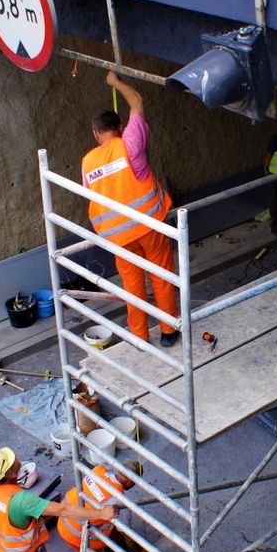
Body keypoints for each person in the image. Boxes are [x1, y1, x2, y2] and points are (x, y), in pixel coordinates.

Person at [82, 71, 180, 347]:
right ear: (121, 126)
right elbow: (137, 101)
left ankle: (139, 335)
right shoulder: (129, 143)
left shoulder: (88, 161)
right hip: (148, 225)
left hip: (118, 236)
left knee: (133, 285)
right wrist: (116, 82)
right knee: (160, 277)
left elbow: (95, 193)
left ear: (95, 134)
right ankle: (169, 331)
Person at [56, 463, 139, 552]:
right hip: (75, 534)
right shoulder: (119, 500)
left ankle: (112, 544)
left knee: (114, 527)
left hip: (63, 516)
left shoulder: (98, 469)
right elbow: (127, 532)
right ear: (130, 481)